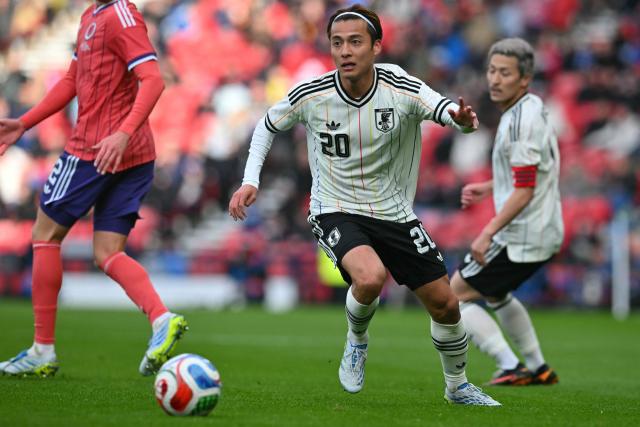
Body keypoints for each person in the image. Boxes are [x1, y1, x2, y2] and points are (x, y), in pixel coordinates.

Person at [229, 4, 500, 406]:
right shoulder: (312, 93)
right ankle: (357, 342)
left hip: (394, 211)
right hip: (334, 205)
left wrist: (461, 119)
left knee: (446, 304)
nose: (345, 51)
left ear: (376, 46)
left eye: (355, 42)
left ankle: (457, 386)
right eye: (337, 43)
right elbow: (268, 123)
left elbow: (444, 110)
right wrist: (251, 179)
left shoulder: (400, 86)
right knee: (370, 277)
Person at [0, 0, 187, 378]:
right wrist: (25, 123)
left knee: (44, 234)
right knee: (107, 253)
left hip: (95, 148)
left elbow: (154, 79)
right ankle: (161, 318)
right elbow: (72, 80)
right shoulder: (91, 16)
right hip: (131, 155)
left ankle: (42, 349)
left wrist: (122, 133)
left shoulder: (120, 15)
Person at [450, 38, 563, 386]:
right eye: (492, 71)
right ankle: (538, 367)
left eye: (505, 73)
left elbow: (525, 190)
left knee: (450, 297)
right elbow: (531, 173)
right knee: (496, 293)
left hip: (521, 235)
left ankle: (510, 364)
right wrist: (490, 187)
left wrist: (487, 232)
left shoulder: (519, 123)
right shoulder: (529, 108)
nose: (495, 80)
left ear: (524, 79)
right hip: (541, 228)